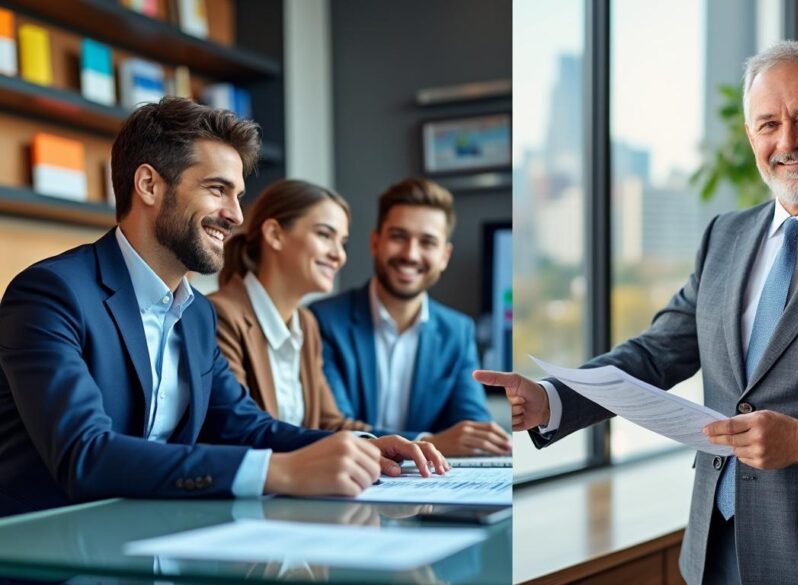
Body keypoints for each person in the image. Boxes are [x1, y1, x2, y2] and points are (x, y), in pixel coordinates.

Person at [476, 41, 798, 585]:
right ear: (750, 137)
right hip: (715, 551)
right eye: (768, 124)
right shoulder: (725, 236)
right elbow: (657, 352)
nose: (787, 142)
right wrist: (550, 399)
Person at [0, 97, 446, 518]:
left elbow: (248, 428)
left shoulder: (195, 316)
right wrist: (280, 472)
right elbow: (85, 455)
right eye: (218, 189)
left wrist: (365, 444)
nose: (235, 215)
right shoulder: (51, 294)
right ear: (149, 184)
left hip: (152, 541)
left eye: (237, 195)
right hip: (49, 556)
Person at [311, 178, 511, 456]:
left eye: (427, 242)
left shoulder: (458, 330)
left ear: (444, 256)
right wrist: (430, 441)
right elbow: (328, 426)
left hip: (429, 489)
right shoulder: (321, 320)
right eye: (398, 237)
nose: (410, 254)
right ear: (375, 242)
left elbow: (472, 428)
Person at [209, 179, 372, 433]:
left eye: (343, 242)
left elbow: (332, 425)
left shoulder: (306, 324)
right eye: (325, 235)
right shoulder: (219, 315)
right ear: (274, 234)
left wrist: (410, 443)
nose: (339, 255)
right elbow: (239, 429)